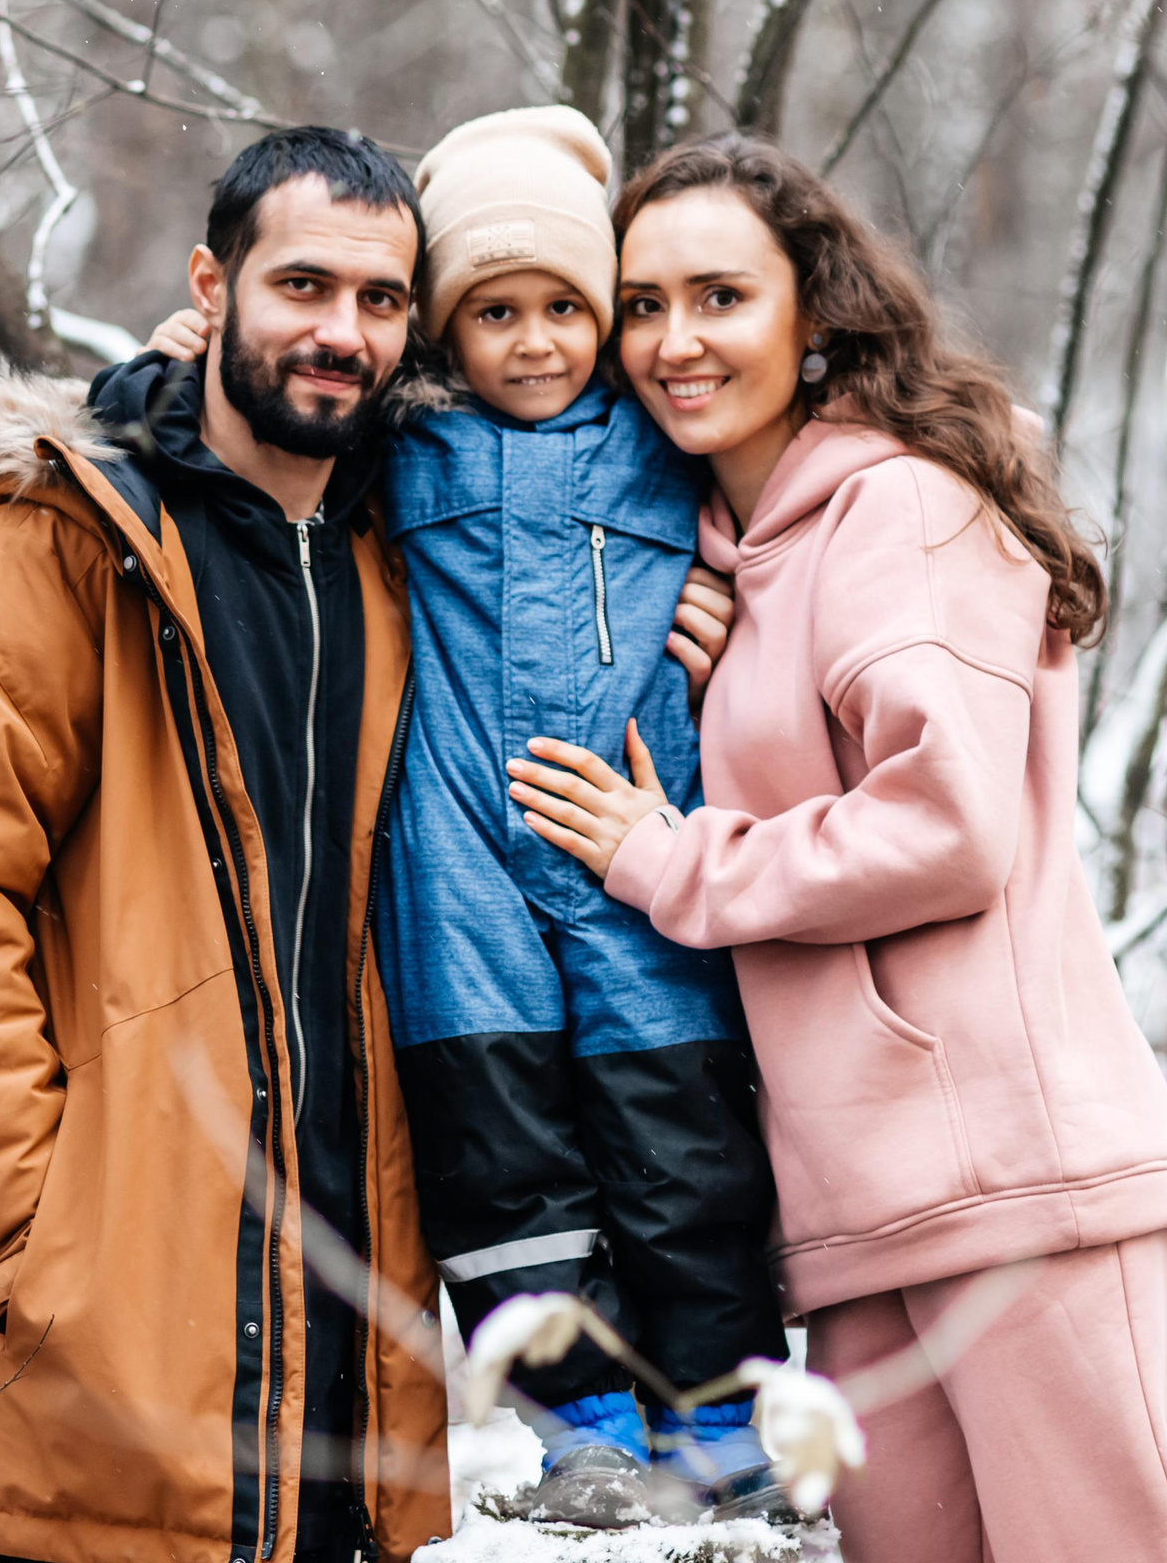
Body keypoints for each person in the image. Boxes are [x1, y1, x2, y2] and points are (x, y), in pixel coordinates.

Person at [507, 135, 1167, 1562]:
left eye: (719, 295)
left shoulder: (898, 505)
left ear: (815, 312)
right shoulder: (727, 552)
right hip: (856, 1217)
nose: (673, 341)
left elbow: (948, 828)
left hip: (1020, 1187)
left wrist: (674, 858)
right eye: (641, 305)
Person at [145, 106, 786, 1528]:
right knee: (504, 1154)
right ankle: (589, 1432)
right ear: (447, 329)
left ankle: (726, 1411)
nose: (540, 342)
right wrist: (181, 355)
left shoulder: (664, 443)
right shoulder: (403, 446)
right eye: (496, 312)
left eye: (571, 307)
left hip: (634, 839)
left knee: (679, 1134)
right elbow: (268, 416)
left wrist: (743, 617)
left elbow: (789, 524)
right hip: (458, 863)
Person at [0, 126, 451, 1563]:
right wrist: (40, 1254)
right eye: (303, 285)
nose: (341, 333)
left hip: (358, 1411)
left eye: (380, 301)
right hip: (113, 1400)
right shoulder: (71, 527)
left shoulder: (413, 551)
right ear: (211, 283)